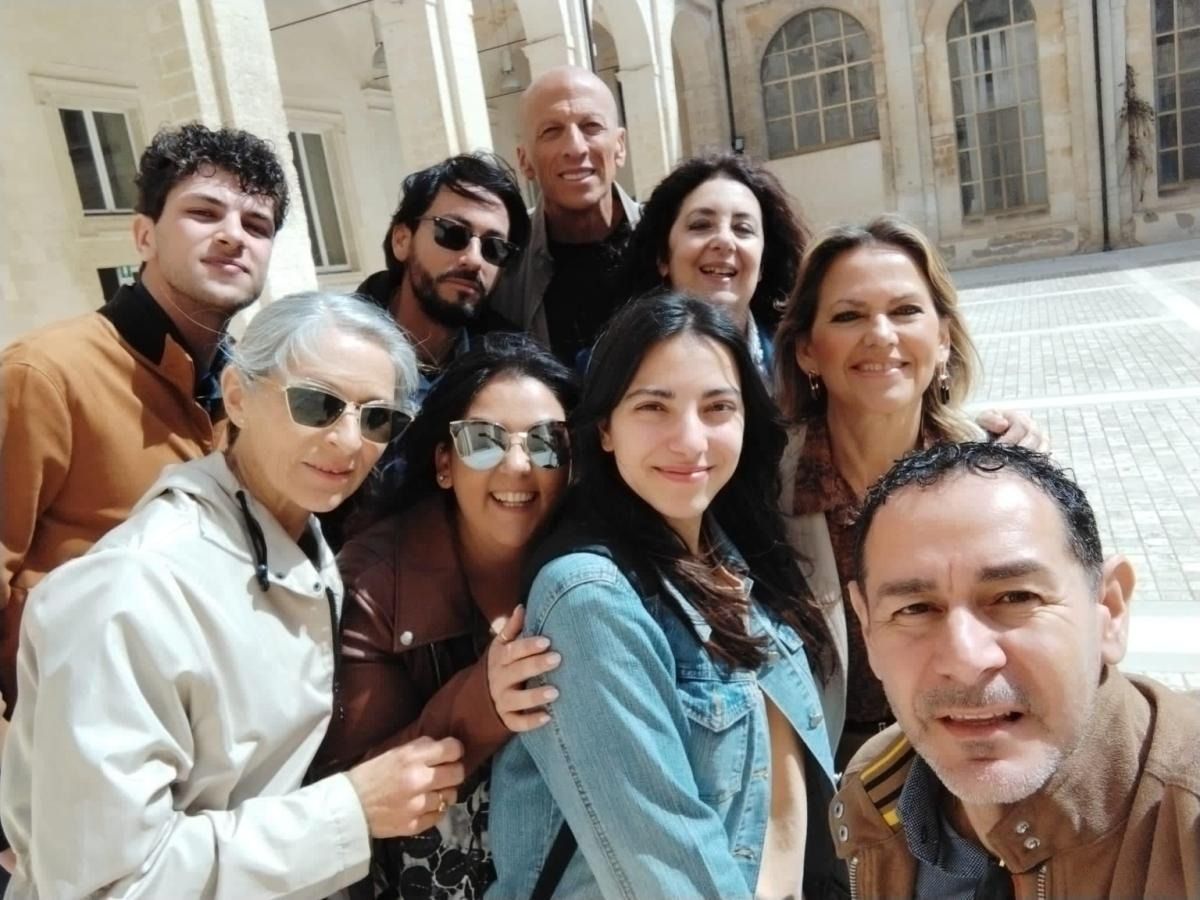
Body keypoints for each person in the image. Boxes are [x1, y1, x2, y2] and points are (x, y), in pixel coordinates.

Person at [0, 293, 467, 898]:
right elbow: (112, 883)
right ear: (239, 397)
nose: (350, 441)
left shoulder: (298, 540)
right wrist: (349, 811)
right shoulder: (132, 588)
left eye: (378, 418)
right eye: (317, 404)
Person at [489, 292, 845, 899]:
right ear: (604, 427)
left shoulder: (733, 555)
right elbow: (667, 870)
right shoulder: (589, 601)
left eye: (717, 408)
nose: (691, 441)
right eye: (654, 406)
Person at [0, 122, 288, 707]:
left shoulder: (246, 396)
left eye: (256, 224)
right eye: (204, 213)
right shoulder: (45, 375)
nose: (234, 236)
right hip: (68, 737)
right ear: (144, 235)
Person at [833, 441, 1200, 899]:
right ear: (867, 630)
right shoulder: (876, 790)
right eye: (915, 608)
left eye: (1016, 598)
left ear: (1109, 609)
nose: (965, 662)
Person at [773, 216, 1048, 765]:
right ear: (808, 350)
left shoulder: (997, 471)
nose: (881, 334)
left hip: (977, 752)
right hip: (823, 772)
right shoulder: (762, 486)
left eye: (905, 311)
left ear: (942, 338)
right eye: (849, 315)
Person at [312, 332, 577, 899]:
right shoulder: (373, 583)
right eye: (482, 441)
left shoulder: (591, 570)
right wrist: (482, 704)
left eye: (547, 442)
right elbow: (348, 792)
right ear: (443, 464)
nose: (517, 465)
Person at [490, 65, 641, 365]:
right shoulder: (502, 266)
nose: (574, 147)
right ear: (525, 161)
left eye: (591, 126)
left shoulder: (668, 242)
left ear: (620, 147)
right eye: (551, 131)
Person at [359, 152, 528, 405]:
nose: (474, 259)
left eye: (495, 248)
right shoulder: (332, 347)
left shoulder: (512, 366)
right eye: (452, 233)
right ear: (402, 240)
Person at [622, 152, 809, 381]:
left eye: (743, 229)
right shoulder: (613, 372)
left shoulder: (804, 365)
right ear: (662, 256)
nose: (724, 242)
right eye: (701, 225)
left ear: (763, 264)